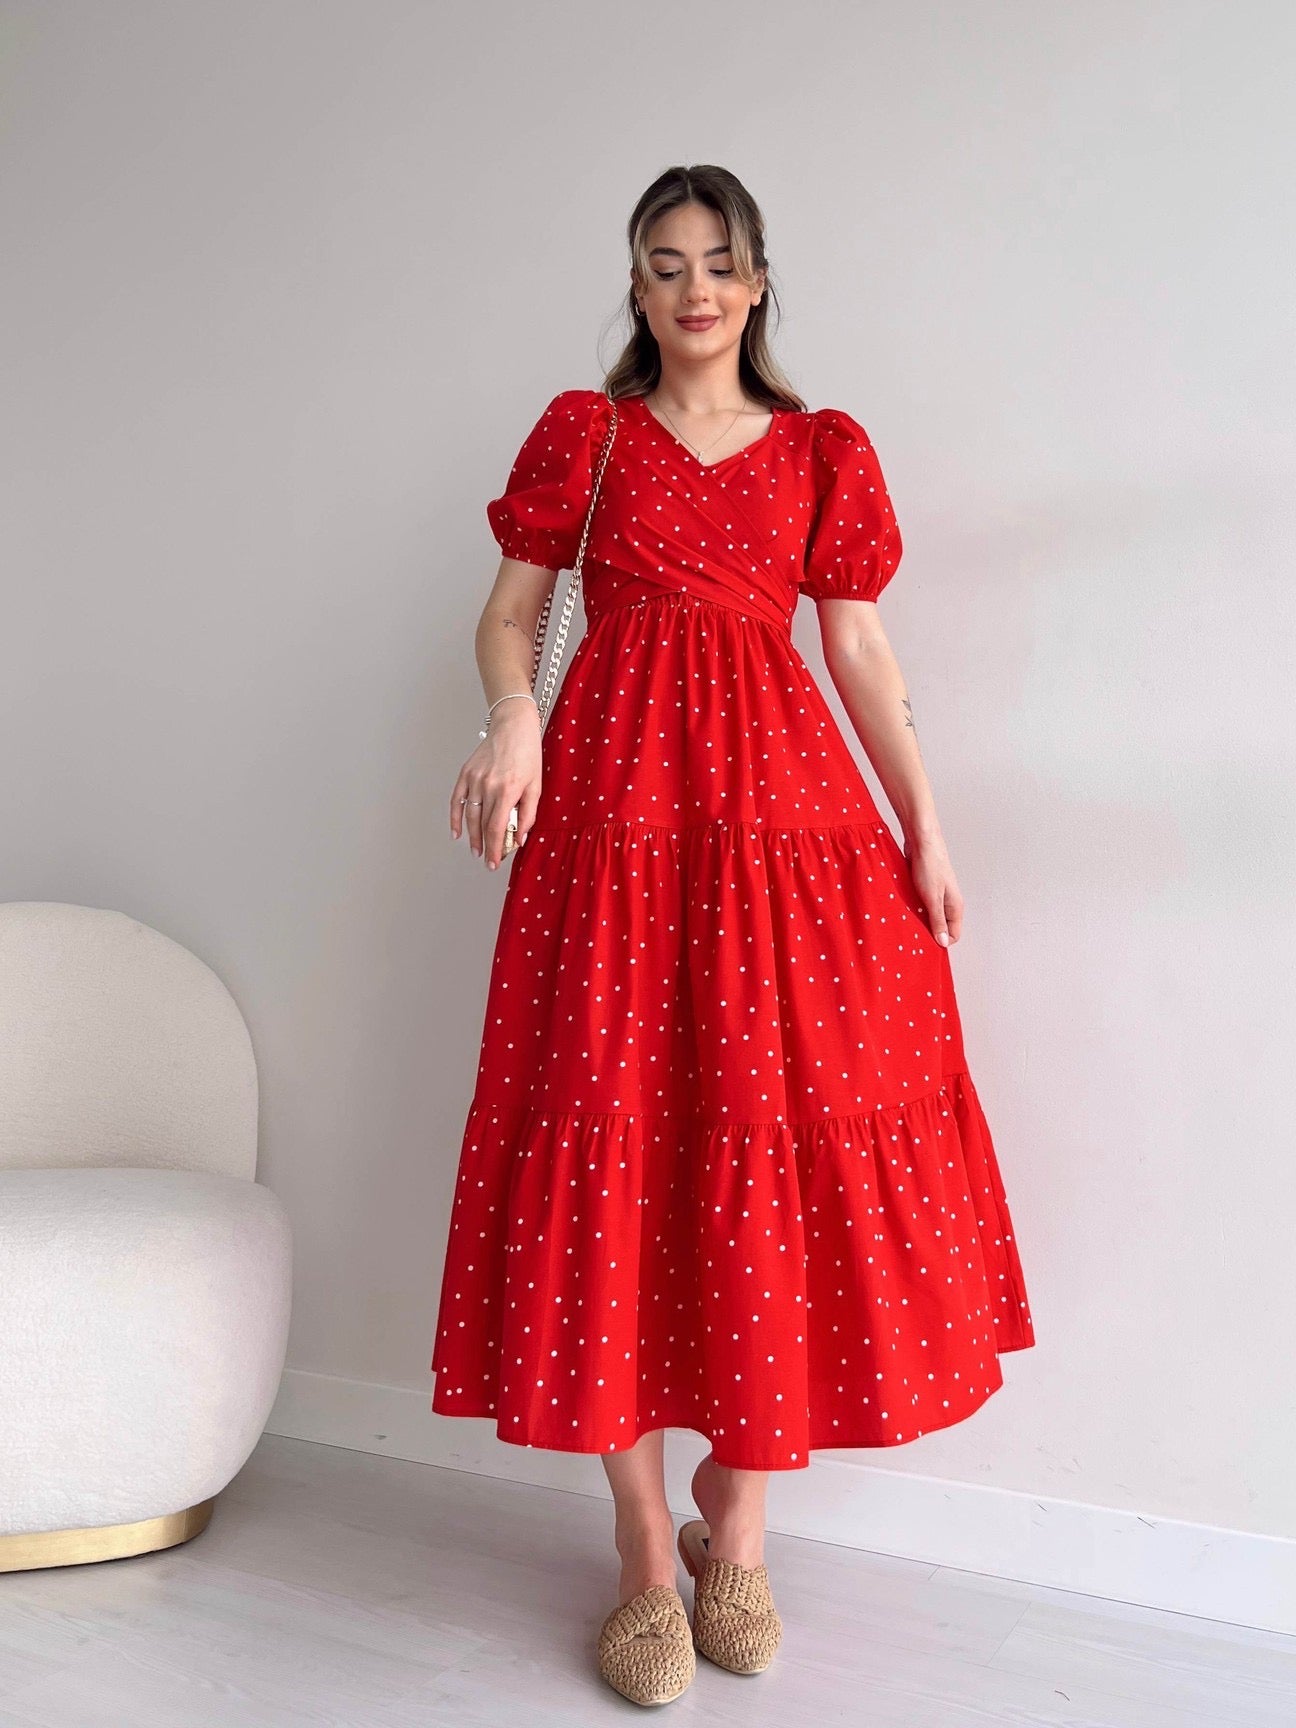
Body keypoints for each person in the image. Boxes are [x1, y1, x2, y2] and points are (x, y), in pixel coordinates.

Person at [431, 163, 1035, 1706]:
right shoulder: (589, 434)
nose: (694, 287)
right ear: (636, 287)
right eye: (665, 262)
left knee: (783, 1130)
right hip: (612, 831)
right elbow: (511, 617)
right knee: (617, 1139)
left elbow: (860, 646)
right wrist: (514, 721)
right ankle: (644, 1547)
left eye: (719, 261)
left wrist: (925, 822)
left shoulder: (825, 448)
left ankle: (740, 1530)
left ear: (758, 282)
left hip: (784, 837)